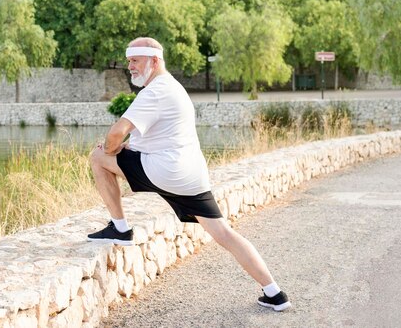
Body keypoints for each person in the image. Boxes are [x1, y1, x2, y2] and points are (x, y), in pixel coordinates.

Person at [87, 37, 291, 311]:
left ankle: (120, 229)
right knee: (225, 234)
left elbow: (115, 132)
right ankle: (275, 294)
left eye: (134, 60)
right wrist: (126, 148)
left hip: (165, 171)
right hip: (192, 176)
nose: (130, 66)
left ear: (154, 61)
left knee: (99, 157)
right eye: (128, 61)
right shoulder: (174, 88)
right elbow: (160, 136)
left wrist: (111, 149)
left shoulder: (154, 91)